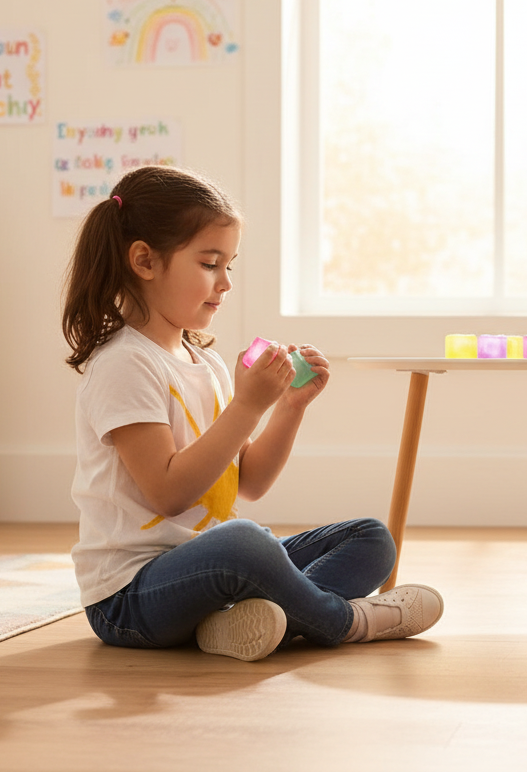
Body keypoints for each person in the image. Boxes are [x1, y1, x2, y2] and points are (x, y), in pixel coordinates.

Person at [61, 165, 443, 662]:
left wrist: (288, 407)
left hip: (213, 573)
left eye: (229, 266)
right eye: (209, 263)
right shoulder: (123, 364)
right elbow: (169, 493)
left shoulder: (206, 363)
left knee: (371, 538)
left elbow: (251, 481)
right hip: (130, 598)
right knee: (243, 543)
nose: (225, 283)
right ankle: (348, 621)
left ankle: (238, 623)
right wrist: (247, 405)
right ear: (145, 261)